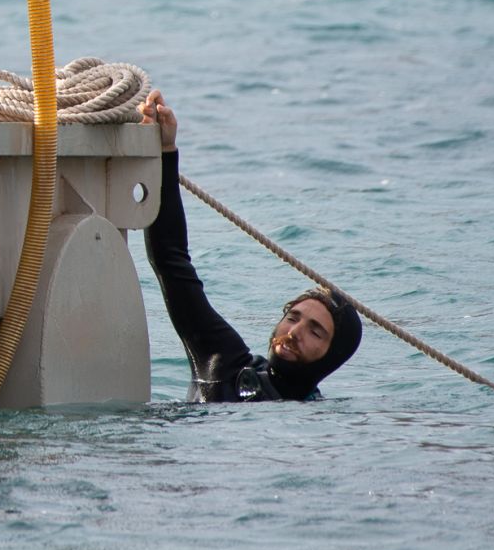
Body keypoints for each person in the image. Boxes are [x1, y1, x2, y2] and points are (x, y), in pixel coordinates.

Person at [139, 89, 364, 400]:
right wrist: (166, 150)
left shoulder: (318, 425)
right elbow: (171, 262)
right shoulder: (225, 363)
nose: (294, 332)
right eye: (293, 317)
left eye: (316, 331)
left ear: (332, 356)